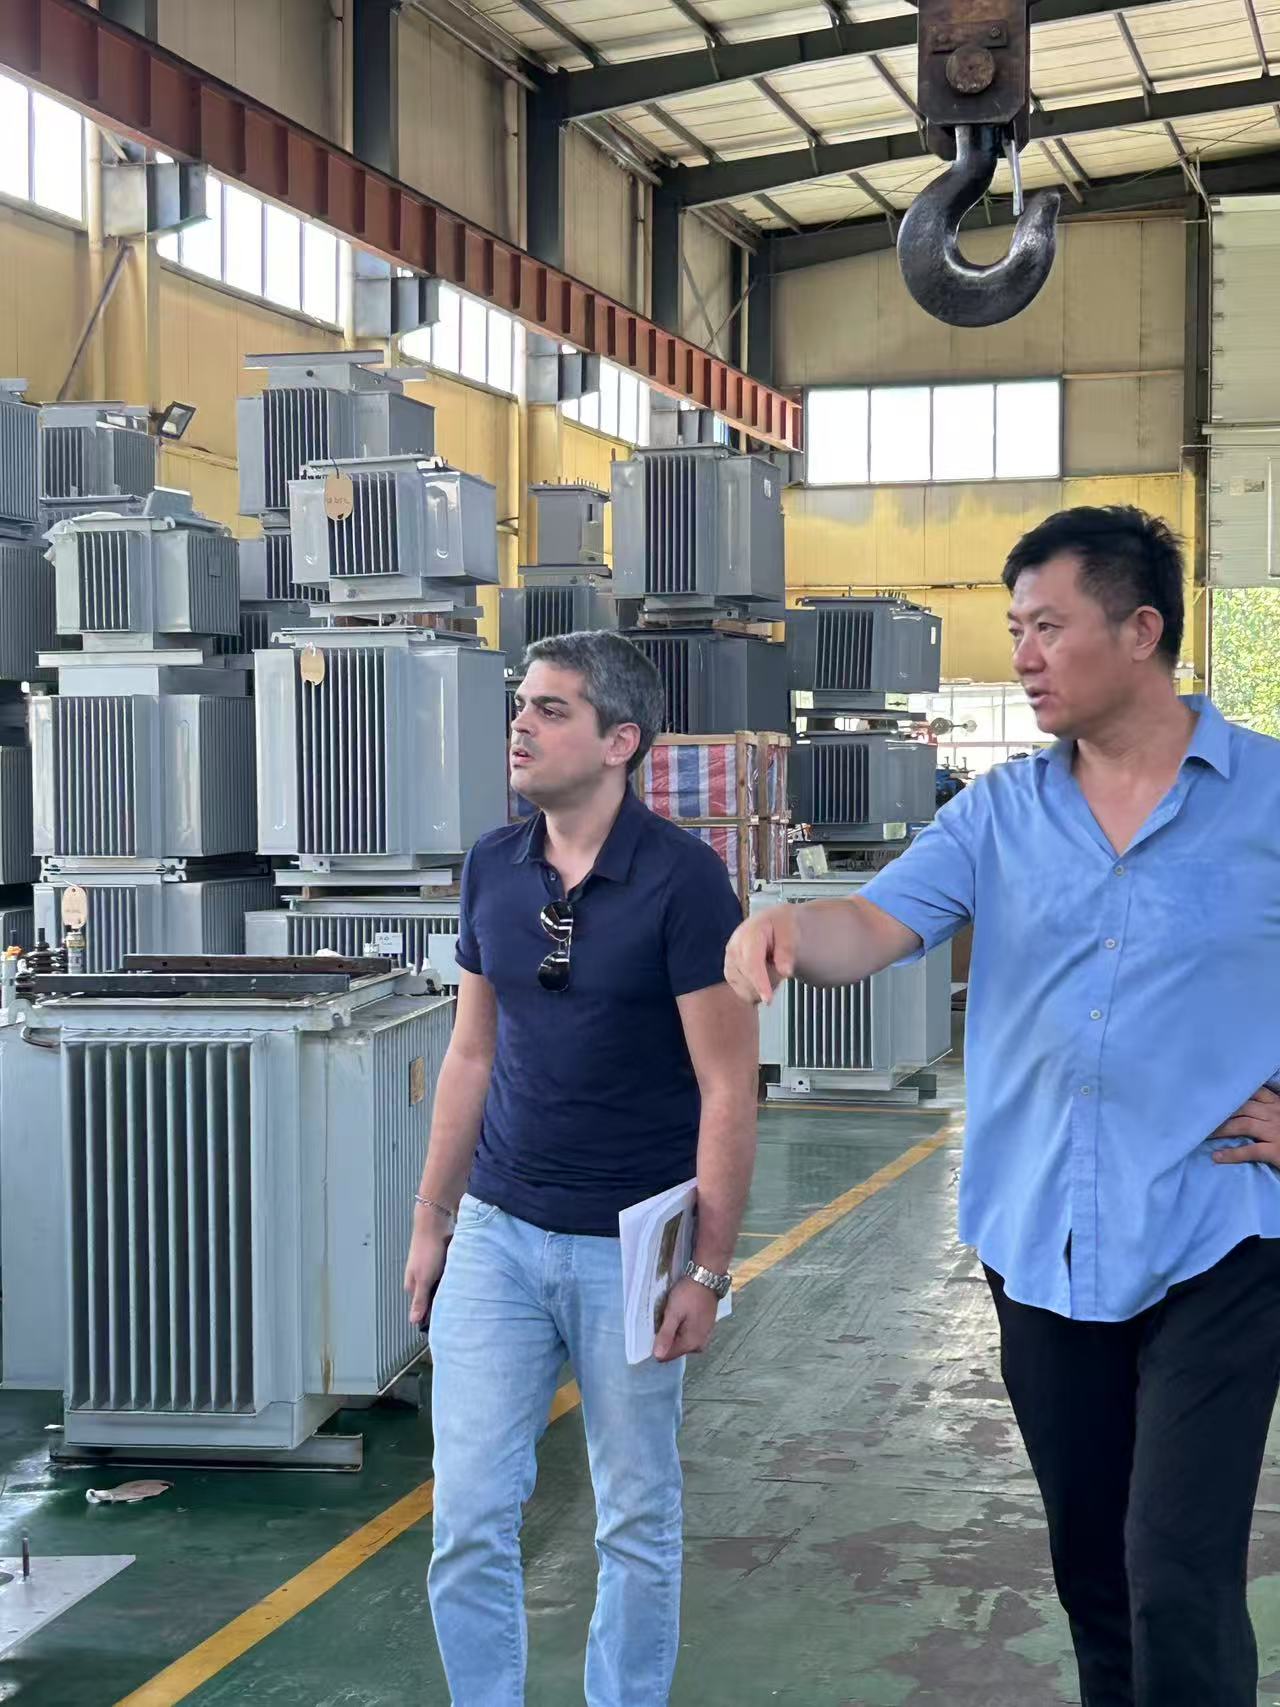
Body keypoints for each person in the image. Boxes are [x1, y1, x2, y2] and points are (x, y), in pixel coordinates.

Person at [725, 506, 1280, 1707]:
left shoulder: (1267, 799)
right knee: (1093, 1574)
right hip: (1040, 1239)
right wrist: (787, 930)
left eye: (1045, 627)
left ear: (1140, 630)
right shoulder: (997, 813)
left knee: (1175, 1574)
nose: (1021, 655)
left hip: (1219, 1237)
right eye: (1016, 627)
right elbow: (871, 924)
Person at [404, 629, 758, 1707]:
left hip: (631, 1251)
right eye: (522, 704)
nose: (520, 724)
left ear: (620, 742)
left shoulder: (684, 882)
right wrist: (432, 1219)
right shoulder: (491, 865)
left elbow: (727, 1087)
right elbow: (471, 1052)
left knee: (636, 1515)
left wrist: (706, 1270)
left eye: (551, 709)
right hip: (499, 1234)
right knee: (469, 1513)